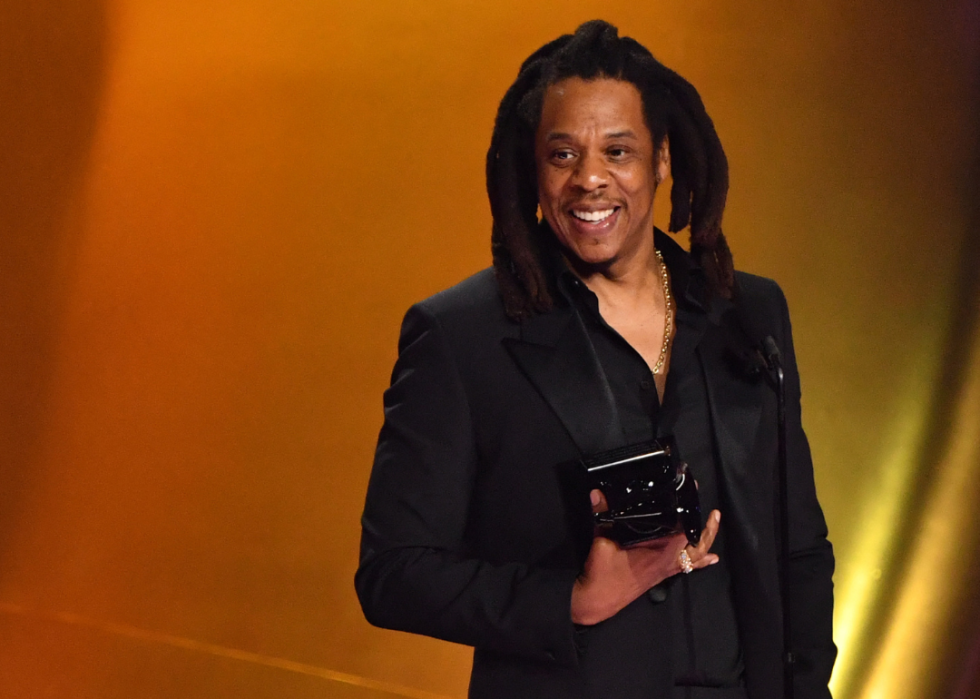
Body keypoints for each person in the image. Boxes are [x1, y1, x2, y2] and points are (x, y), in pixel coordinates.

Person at [355, 19, 835, 699]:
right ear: (534, 166)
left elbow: (800, 551)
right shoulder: (462, 336)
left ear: (661, 159)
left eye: (617, 150)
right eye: (562, 154)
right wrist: (567, 600)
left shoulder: (749, 315)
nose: (589, 180)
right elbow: (392, 572)